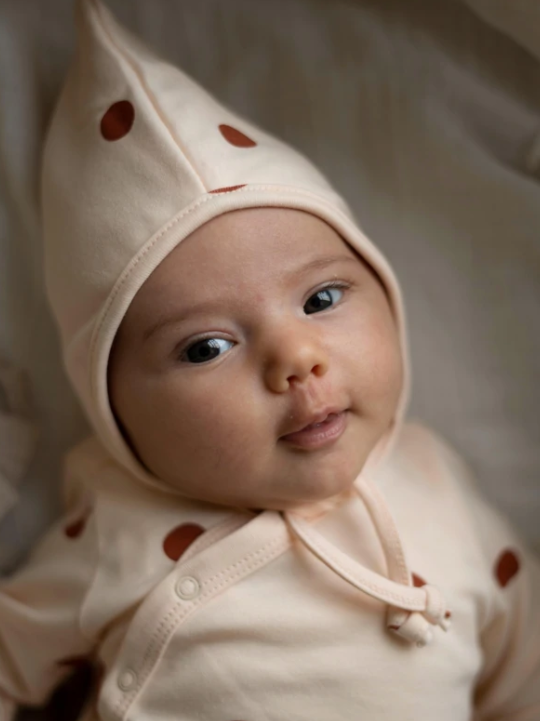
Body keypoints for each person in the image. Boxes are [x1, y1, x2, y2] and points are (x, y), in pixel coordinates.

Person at [1, 0, 539, 719]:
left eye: (321, 298)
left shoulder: (438, 484)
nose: (296, 357)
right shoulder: (111, 532)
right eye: (207, 347)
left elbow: (524, 664)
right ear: (113, 407)